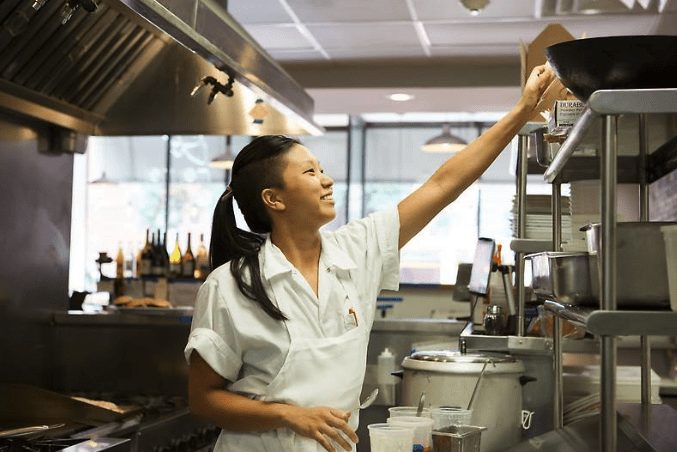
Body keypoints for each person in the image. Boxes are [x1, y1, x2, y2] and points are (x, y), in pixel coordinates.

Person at [185, 64, 555, 452]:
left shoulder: (356, 251)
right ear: (274, 199)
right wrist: (288, 414)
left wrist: (521, 111)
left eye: (323, 170)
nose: (327, 180)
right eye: (310, 172)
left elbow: (443, 185)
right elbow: (204, 398)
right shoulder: (229, 286)